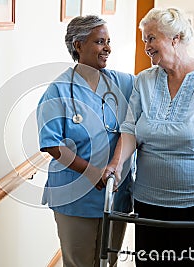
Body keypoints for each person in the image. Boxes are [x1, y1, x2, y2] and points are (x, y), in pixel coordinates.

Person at [103, 7, 194, 267]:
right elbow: (130, 130)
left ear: (175, 38)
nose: (146, 46)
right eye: (144, 39)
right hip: (150, 204)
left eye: (151, 38)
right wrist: (116, 164)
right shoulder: (144, 81)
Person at [36, 15, 135, 267]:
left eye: (109, 41)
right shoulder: (58, 89)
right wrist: (91, 173)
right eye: (100, 41)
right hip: (75, 198)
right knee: (80, 263)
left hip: (115, 193)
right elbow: (51, 143)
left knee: (108, 262)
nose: (108, 48)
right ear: (78, 46)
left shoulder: (122, 82)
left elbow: (158, 80)